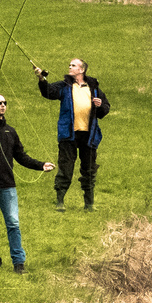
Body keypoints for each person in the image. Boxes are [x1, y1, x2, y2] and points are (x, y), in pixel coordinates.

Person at [0, 92, 54, 274]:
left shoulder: (10, 131)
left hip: (7, 186)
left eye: (5, 103)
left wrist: (41, 165)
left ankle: (19, 264)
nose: (3, 105)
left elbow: (21, 156)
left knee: (13, 224)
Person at [34, 58, 111, 211]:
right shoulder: (64, 85)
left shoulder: (94, 87)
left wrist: (100, 105)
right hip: (68, 135)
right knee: (65, 168)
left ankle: (89, 204)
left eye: (73, 65)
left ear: (81, 70)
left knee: (89, 169)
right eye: (69, 64)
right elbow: (48, 92)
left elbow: (105, 110)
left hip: (89, 136)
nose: (69, 67)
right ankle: (60, 202)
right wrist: (41, 78)